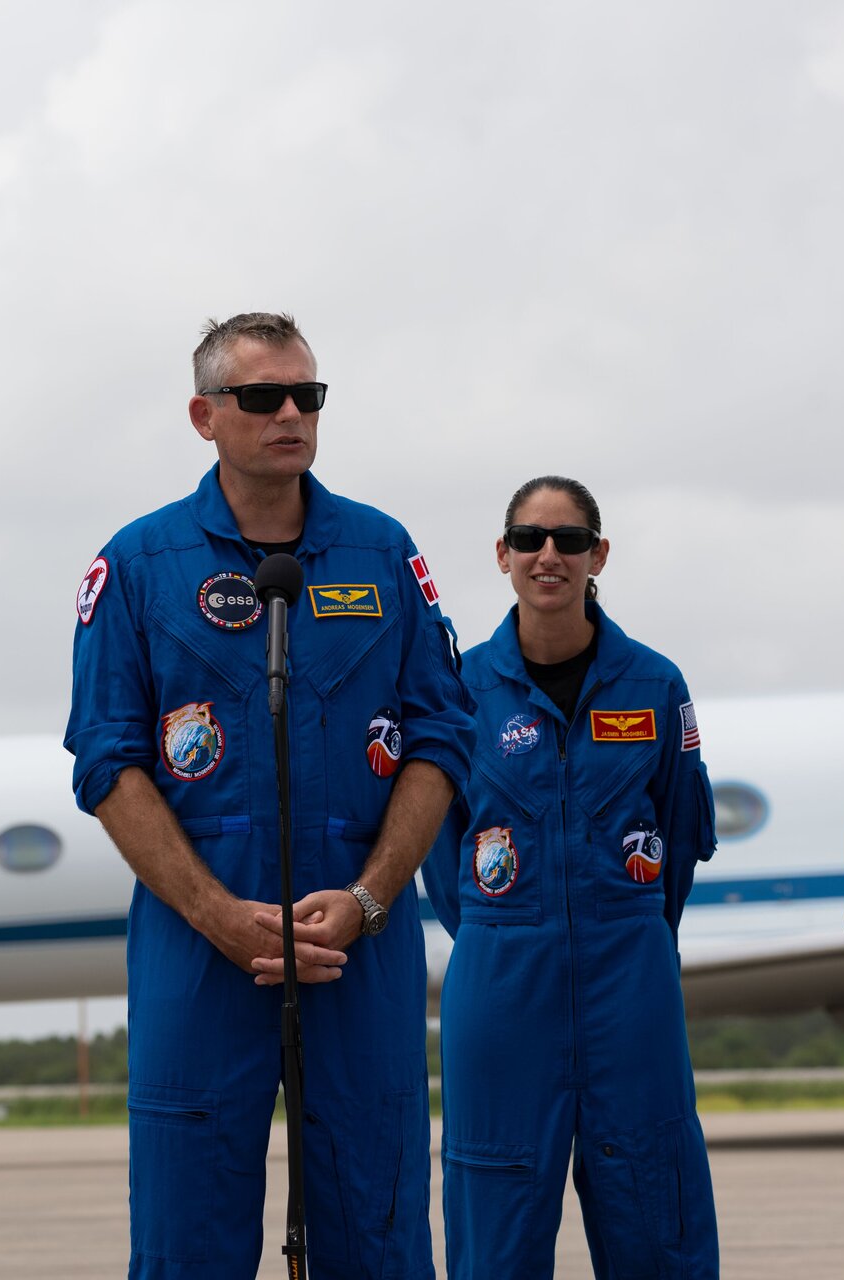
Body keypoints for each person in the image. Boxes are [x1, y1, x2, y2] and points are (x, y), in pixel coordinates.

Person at [64, 313, 472, 1278]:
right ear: (205, 415)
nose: (291, 413)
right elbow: (105, 761)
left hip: (356, 942)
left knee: (378, 1225)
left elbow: (441, 736)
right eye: (262, 397)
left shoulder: (384, 552)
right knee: (185, 1230)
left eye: (308, 396)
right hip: (202, 940)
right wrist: (215, 915)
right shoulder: (138, 564)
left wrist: (371, 900)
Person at [423, 475, 719, 1278]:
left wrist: (627, 933)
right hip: (502, 979)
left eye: (569, 540)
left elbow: (679, 841)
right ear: (503, 554)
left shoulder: (656, 687)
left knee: (656, 1200)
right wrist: (503, 930)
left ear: (598, 555)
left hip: (632, 978)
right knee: (496, 1212)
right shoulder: (456, 690)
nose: (548, 555)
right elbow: (438, 854)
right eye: (529, 539)